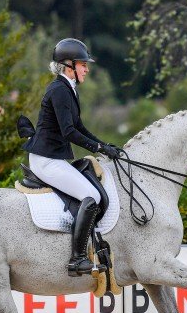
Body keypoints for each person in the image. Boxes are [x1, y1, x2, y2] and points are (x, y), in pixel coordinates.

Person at [23, 38, 120, 277]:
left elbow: (79, 127)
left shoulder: (68, 89)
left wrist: (104, 146)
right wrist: (97, 146)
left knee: (92, 191)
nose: (87, 69)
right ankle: (77, 259)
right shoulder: (59, 90)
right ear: (69, 66)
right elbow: (69, 132)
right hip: (46, 161)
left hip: (53, 158)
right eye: (83, 64)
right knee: (92, 195)